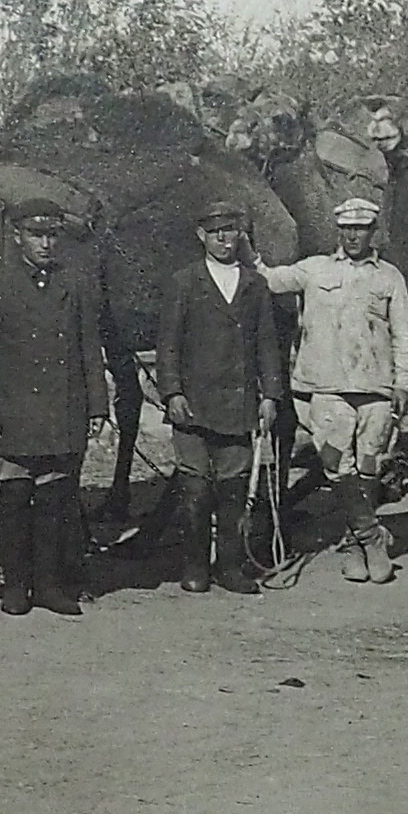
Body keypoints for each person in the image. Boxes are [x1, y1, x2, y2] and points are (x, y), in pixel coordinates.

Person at [263, 195, 408, 584]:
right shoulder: (314, 269)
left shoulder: (389, 277)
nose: (353, 236)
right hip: (327, 387)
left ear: (373, 232)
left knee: (368, 466)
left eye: (361, 229)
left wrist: (403, 383)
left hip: (376, 387)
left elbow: (404, 334)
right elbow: (269, 278)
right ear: (339, 231)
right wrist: (247, 249)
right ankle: (370, 539)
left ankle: (353, 544)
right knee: (337, 466)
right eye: (347, 229)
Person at [0, 203, 109, 617]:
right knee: (15, 497)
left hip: (63, 406)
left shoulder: (75, 284)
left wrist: (97, 404)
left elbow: (88, 350)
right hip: (15, 410)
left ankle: (48, 584)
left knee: (55, 500)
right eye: (35, 235)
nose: (45, 244)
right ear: (17, 237)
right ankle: (16, 585)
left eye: (52, 236)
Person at [153, 200, 287, 594]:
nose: (223, 239)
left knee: (233, 488)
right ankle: (195, 566)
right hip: (192, 403)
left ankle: (229, 566)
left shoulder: (255, 285)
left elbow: (267, 344)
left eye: (230, 231)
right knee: (195, 489)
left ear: (240, 235)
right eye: (215, 233)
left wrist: (271, 395)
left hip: (238, 403)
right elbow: (168, 345)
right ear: (201, 236)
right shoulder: (184, 282)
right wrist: (171, 391)